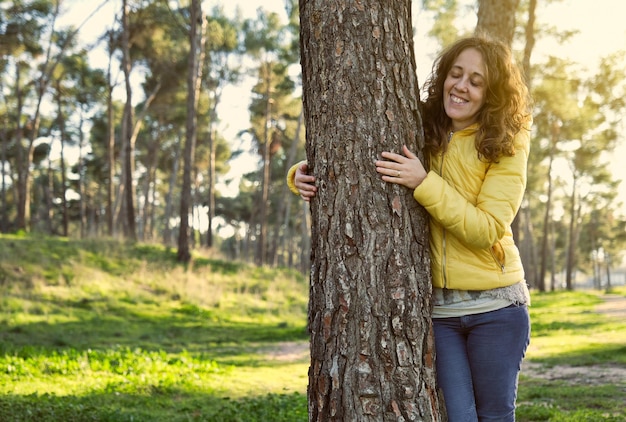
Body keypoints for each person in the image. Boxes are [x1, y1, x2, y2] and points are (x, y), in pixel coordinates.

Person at [287, 36, 532, 421]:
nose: (461, 86)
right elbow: (359, 145)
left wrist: (423, 183)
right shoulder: (420, 123)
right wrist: (300, 173)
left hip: (498, 307)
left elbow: (486, 229)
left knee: (495, 417)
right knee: (457, 417)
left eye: (476, 81)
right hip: (440, 312)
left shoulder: (506, 143)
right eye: (456, 74)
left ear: (492, 93)